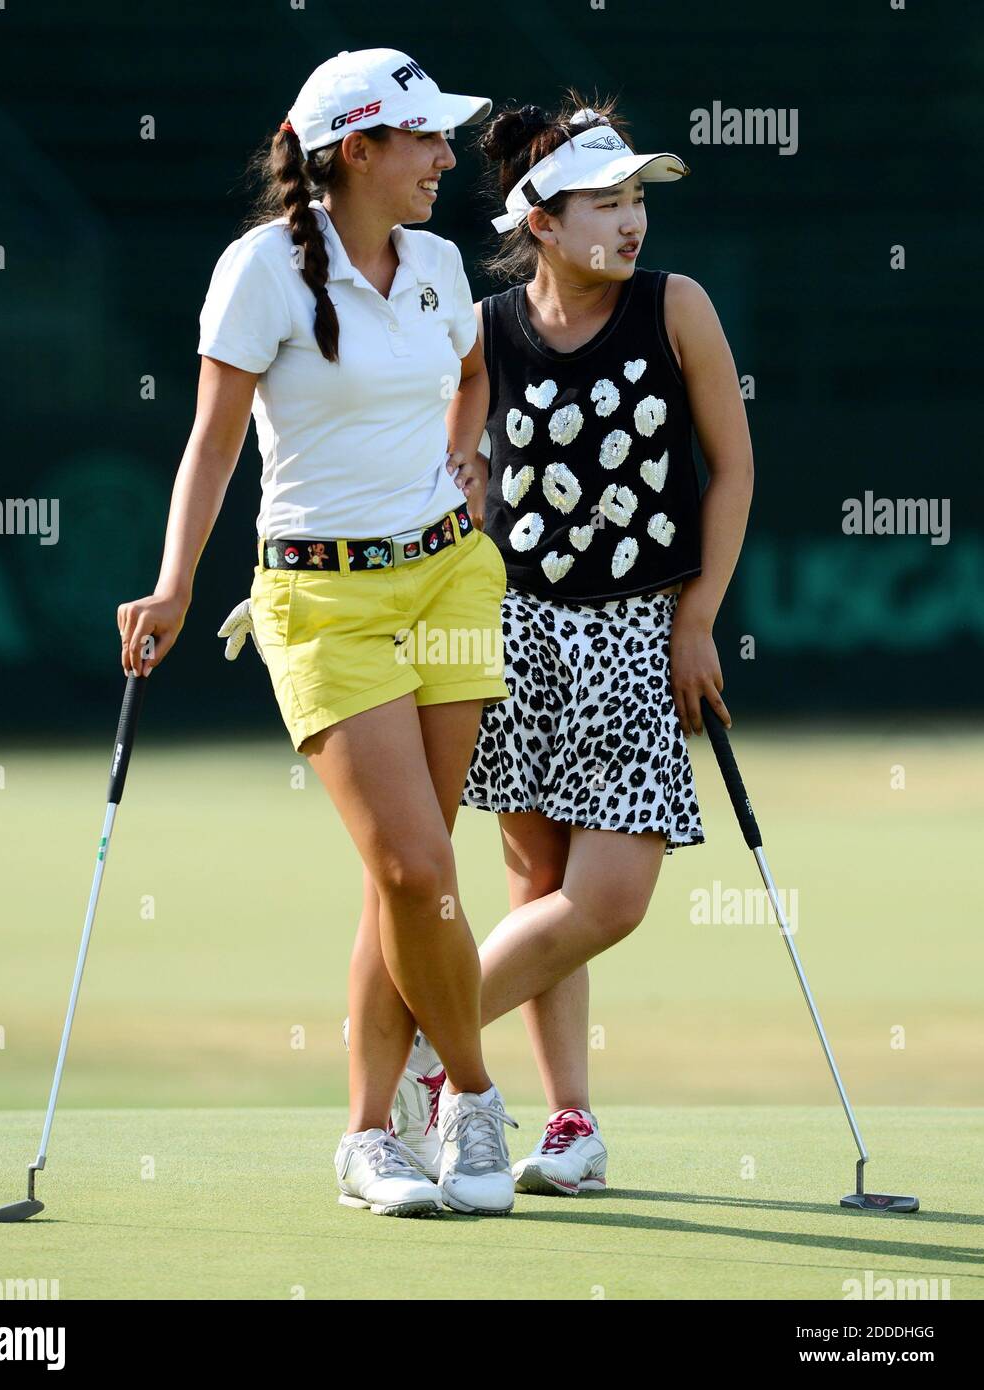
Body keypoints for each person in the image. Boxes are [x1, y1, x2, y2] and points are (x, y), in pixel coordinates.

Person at [118, 48, 520, 1218]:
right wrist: (174, 582)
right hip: (320, 599)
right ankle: (469, 1097)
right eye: (426, 141)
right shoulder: (259, 271)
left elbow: (472, 365)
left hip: (450, 583)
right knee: (411, 865)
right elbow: (213, 442)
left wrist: (468, 446)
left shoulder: (440, 262)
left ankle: (363, 1134)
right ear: (356, 150)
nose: (447, 158)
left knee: (410, 878)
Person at [439, 94, 754, 1194]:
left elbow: (732, 472)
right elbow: (457, 472)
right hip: (514, 630)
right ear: (538, 220)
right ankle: (567, 1124)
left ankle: (424, 1038)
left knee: (608, 895)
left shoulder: (676, 307)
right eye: (605, 203)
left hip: (636, 629)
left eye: (636, 200)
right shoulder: (482, 330)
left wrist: (698, 620)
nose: (631, 222)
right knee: (535, 886)